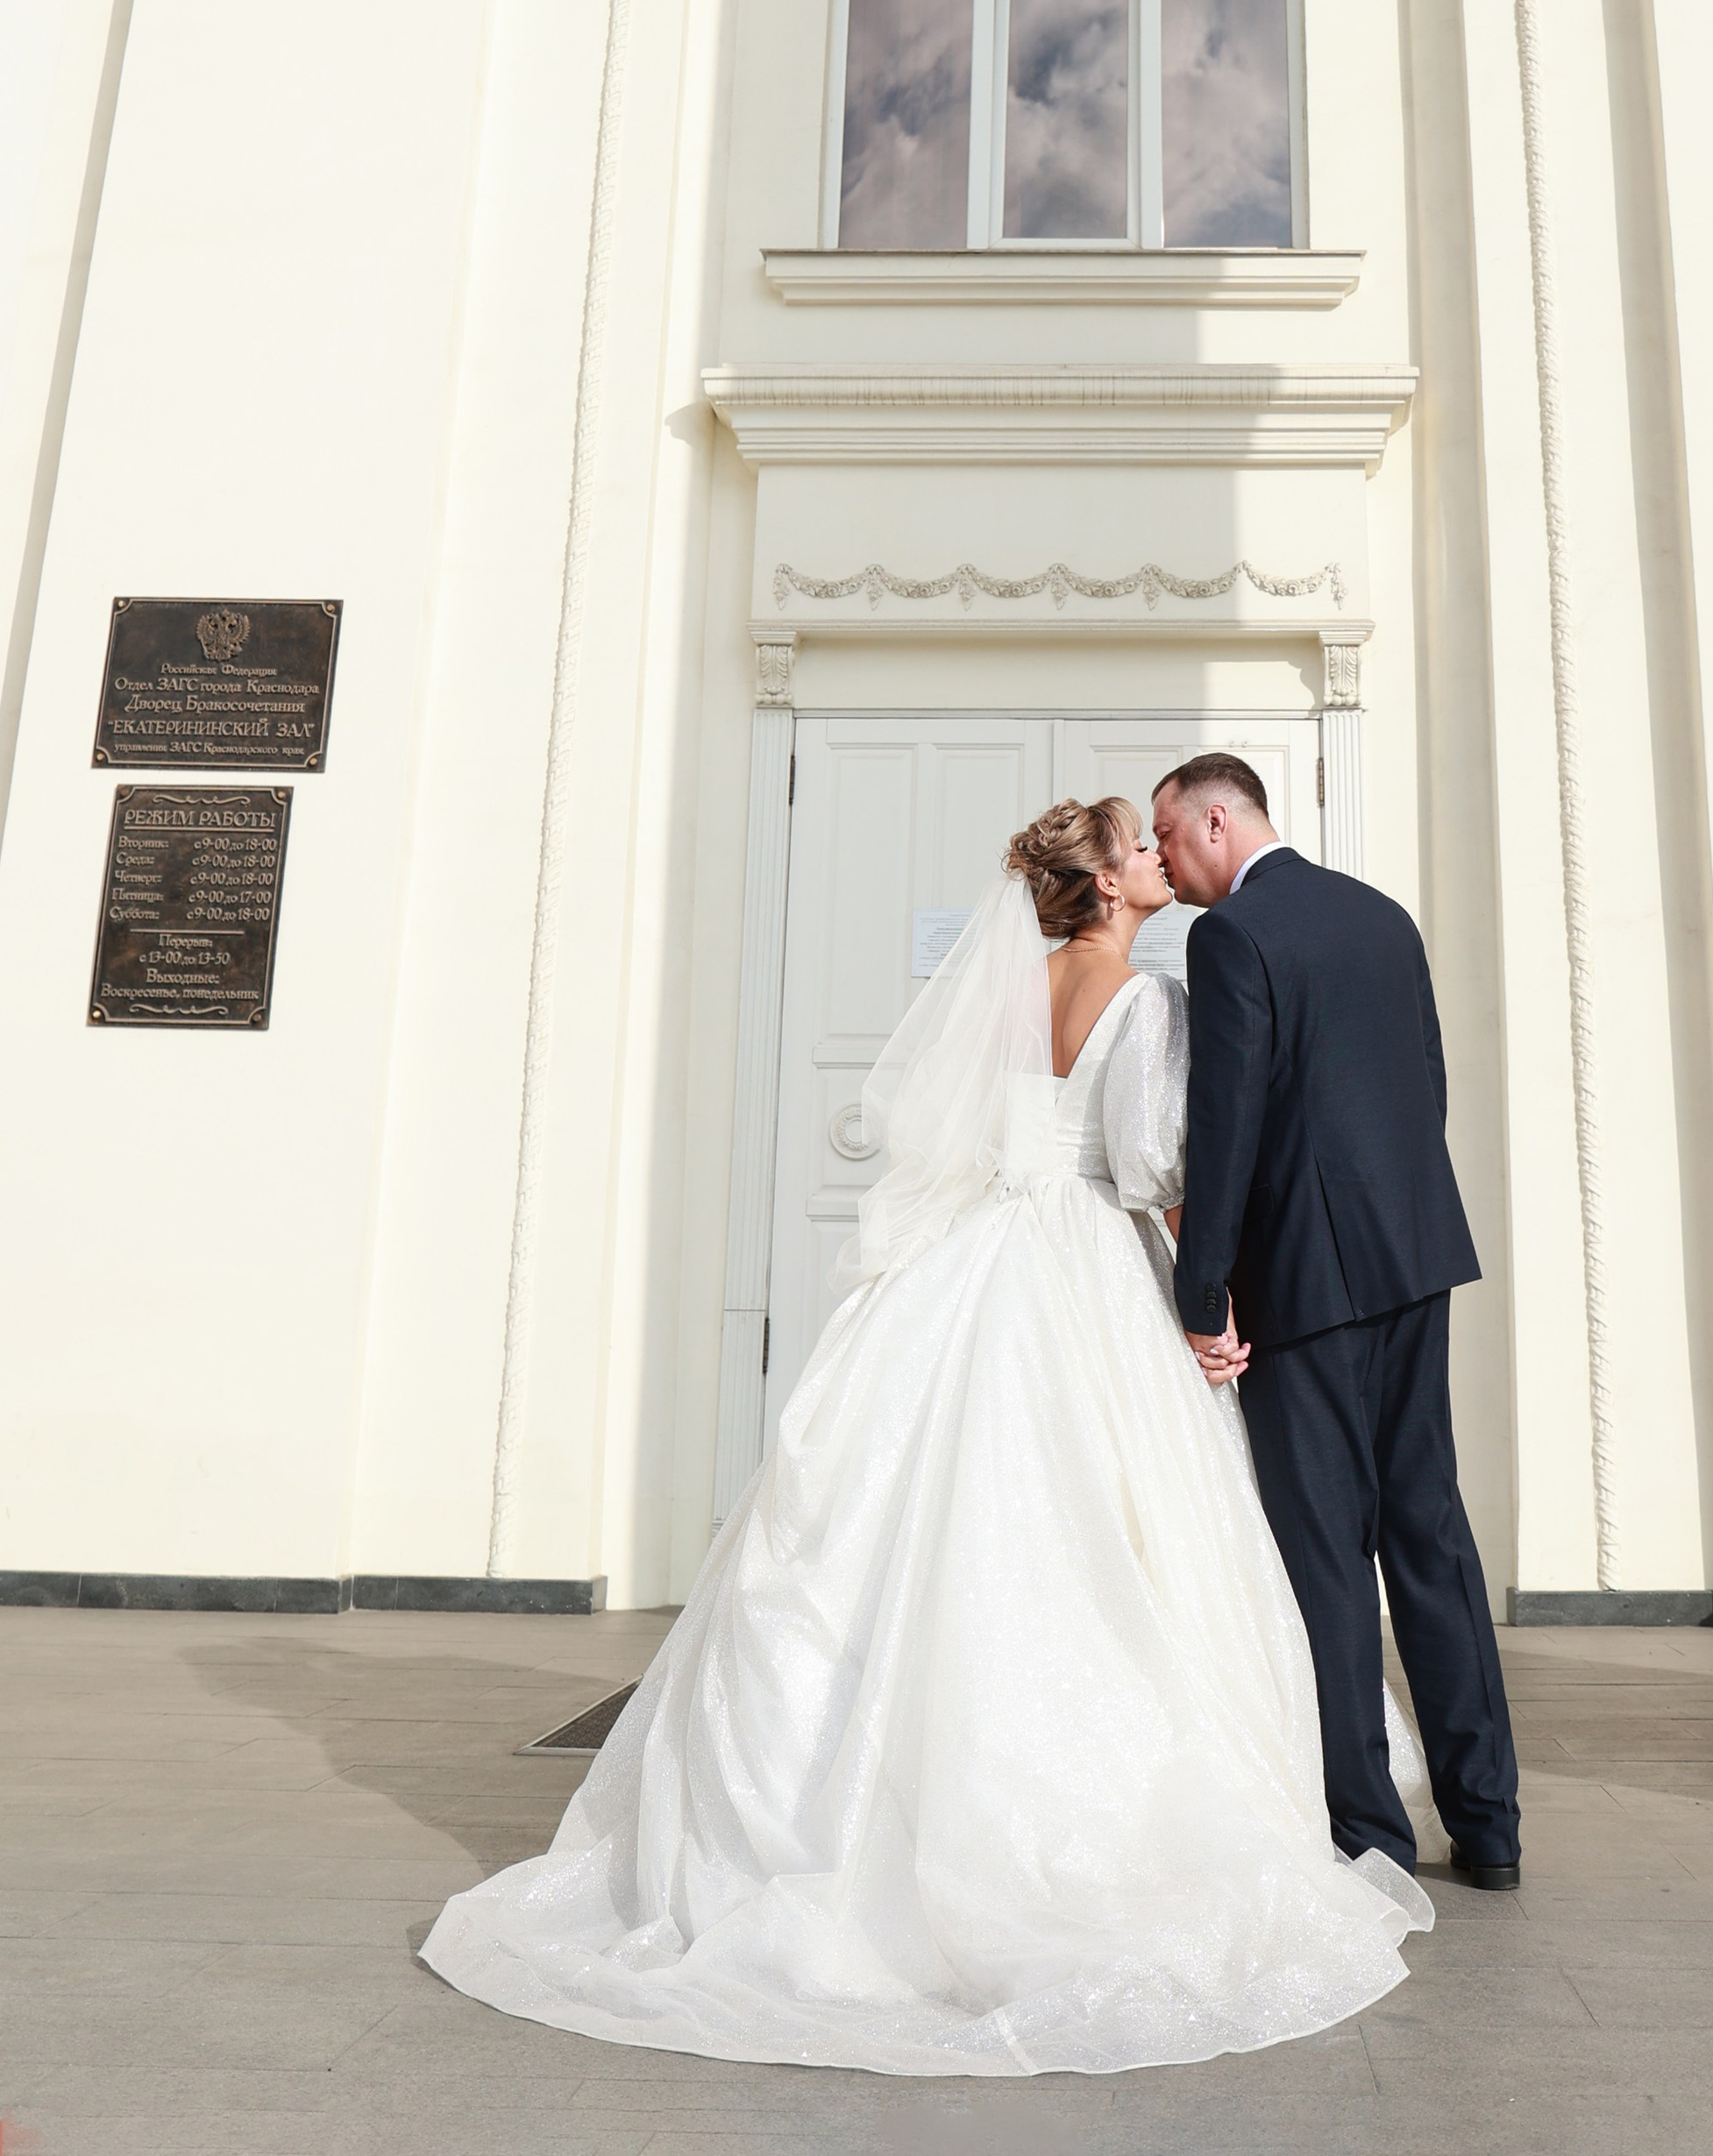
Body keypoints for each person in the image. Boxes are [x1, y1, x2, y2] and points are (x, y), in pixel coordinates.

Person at [422, 798, 1430, 2075]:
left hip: (970, 1262)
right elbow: (1140, 1163)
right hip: (1084, 1266)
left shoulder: (1008, 996)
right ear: (1110, 888)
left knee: (911, 1520)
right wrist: (1204, 1295)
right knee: (1103, 1533)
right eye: (1137, 849)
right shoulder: (1142, 1001)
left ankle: (841, 1813)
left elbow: (962, 1136)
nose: (1156, 861)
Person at [1150, 752, 1521, 1892]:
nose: (1163, 864)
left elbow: (1229, 1133)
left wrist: (1200, 1293)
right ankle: (1492, 1824)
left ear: (1220, 819)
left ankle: (1369, 1835)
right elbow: (1428, 1084)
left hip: (1304, 1288)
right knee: (1431, 1538)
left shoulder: (1232, 939)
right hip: (1414, 1261)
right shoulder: (1382, 915)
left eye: (1169, 838)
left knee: (1326, 1560)